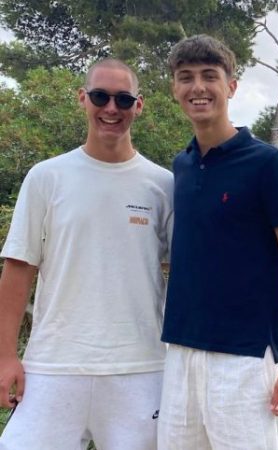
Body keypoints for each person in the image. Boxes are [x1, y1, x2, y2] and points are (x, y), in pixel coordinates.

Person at [0, 59, 173, 449]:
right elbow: (18, 267)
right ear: (82, 98)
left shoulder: (164, 186)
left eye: (123, 99)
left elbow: (185, 277)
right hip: (54, 364)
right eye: (100, 96)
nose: (111, 108)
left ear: (138, 105)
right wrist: (5, 356)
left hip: (141, 368)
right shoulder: (46, 177)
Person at [159, 35, 278, 449]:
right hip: (180, 352)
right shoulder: (181, 165)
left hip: (246, 359)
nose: (198, 87)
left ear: (231, 86)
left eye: (209, 76)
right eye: (185, 77)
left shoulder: (267, 164)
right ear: (174, 88)